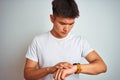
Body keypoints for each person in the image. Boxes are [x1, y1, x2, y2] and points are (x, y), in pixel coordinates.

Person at [24, 0, 107, 80]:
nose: (67, 29)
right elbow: (27, 75)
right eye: (62, 23)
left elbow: (102, 67)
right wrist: (49, 69)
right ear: (52, 18)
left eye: (71, 24)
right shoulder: (38, 41)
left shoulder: (80, 41)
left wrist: (75, 68)